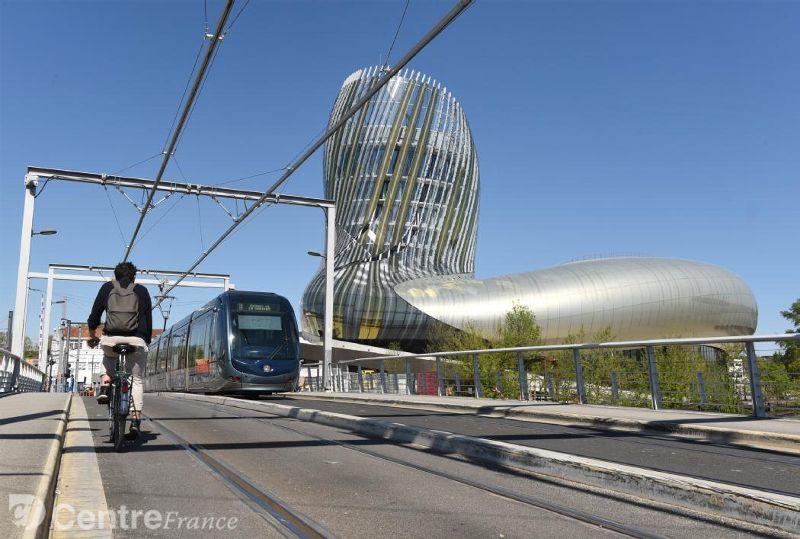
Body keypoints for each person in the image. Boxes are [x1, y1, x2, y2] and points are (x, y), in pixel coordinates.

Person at [87, 262, 152, 438]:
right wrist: (144, 341)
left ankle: (106, 386)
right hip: (136, 341)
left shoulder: (107, 287)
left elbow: (94, 316)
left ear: (115, 276)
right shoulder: (142, 291)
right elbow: (148, 321)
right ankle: (135, 422)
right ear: (134, 277)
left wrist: (93, 335)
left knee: (108, 360)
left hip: (111, 339)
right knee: (136, 380)